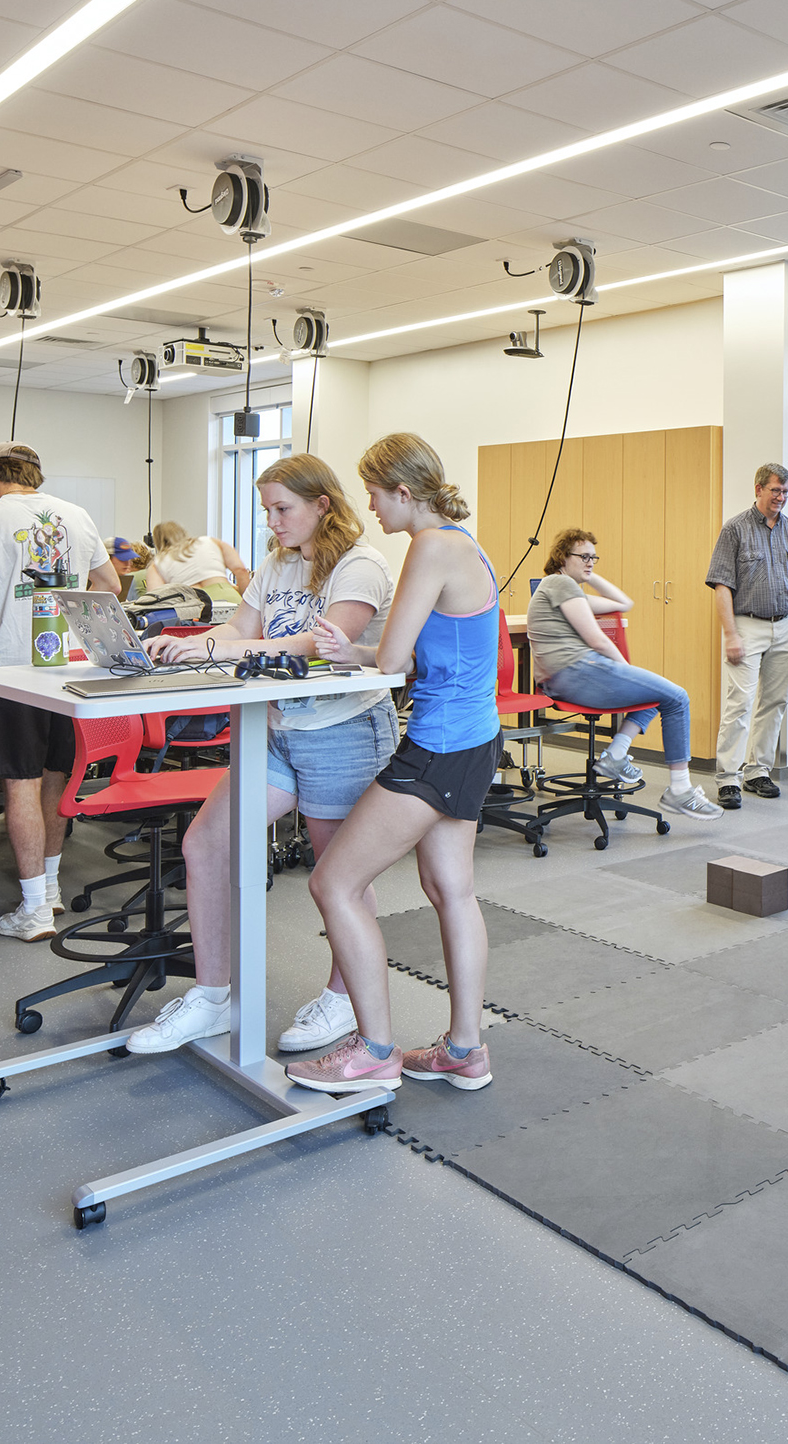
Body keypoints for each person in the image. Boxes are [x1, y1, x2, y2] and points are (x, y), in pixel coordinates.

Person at [124, 455, 394, 1057]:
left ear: (322, 503)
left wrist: (221, 651)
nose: (272, 522)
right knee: (205, 843)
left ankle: (346, 996)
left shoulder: (361, 565)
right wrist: (188, 644)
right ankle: (212, 997)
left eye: (282, 509)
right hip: (276, 729)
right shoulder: (275, 565)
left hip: (343, 728)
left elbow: (320, 644)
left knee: (338, 877)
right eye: (267, 509)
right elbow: (238, 629)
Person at [286, 433, 500, 1094]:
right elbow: (408, 652)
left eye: (376, 494)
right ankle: (465, 1049)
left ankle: (374, 1049)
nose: (372, 508)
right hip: (473, 739)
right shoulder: (464, 544)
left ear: (404, 491)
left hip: (436, 745)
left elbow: (393, 662)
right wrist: (345, 651)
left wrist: (365, 654)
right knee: (450, 890)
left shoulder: (430, 546)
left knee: (333, 884)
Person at [0, 443, 115, 940]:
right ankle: (52, 892)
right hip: (68, 667)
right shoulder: (76, 514)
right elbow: (109, 586)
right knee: (54, 778)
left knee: (18, 783)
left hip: (12, 672)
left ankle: (32, 911)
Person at [526, 527, 723, 821]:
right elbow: (597, 640)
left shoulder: (564, 588)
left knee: (662, 694)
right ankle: (679, 789)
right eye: (583, 556)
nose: (591, 561)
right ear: (562, 557)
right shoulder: (560, 584)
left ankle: (616, 754)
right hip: (577, 673)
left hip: (564, 679)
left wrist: (588, 574)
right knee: (677, 697)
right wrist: (626, 671)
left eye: (594, 557)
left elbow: (623, 604)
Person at [705, 462, 788, 810]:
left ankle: (758, 771)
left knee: (775, 702)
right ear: (758, 490)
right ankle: (728, 778)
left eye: (785, 492)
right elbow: (721, 586)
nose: (780, 497)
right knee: (739, 702)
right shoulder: (735, 529)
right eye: (775, 490)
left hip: (786, 624)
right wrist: (731, 634)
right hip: (747, 624)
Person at [144, 520, 250, 604]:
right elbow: (241, 570)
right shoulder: (210, 541)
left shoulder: (158, 563)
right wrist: (247, 603)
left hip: (193, 606)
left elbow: (156, 598)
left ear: (157, 541)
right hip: (228, 598)